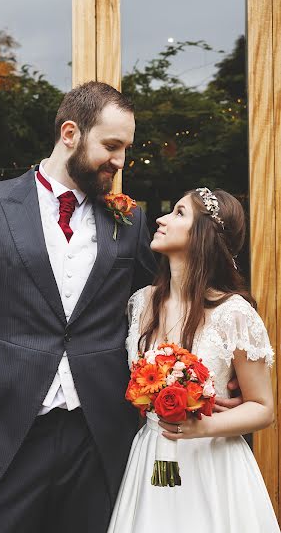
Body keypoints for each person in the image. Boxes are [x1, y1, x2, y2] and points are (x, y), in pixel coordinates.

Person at [0, 81, 157, 533]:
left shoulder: (129, 220)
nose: (120, 162)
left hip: (99, 435)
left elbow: (167, 303)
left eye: (126, 149)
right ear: (70, 133)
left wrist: (216, 365)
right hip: (9, 434)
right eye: (111, 146)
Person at [108, 188, 280, 533]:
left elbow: (263, 407)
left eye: (178, 213)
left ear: (202, 236)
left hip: (212, 462)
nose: (161, 219)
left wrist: (202, 427)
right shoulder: (141, 304)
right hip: (151, 455)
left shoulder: (234, 314)